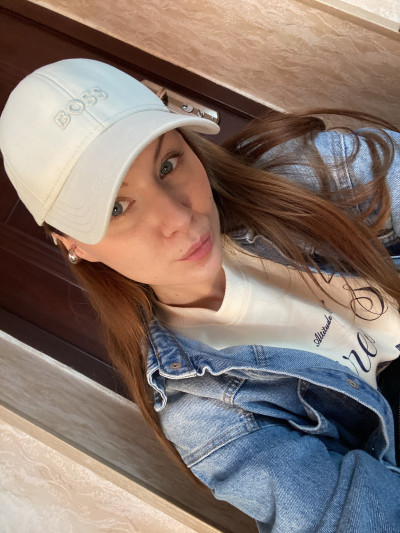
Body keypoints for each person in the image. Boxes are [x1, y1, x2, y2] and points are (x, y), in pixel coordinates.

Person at [1, 58, 400, 532]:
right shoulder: (207, 412)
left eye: (167, 164)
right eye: (117, 208)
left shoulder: (299, 172)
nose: (179, 218)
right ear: (73, 244)